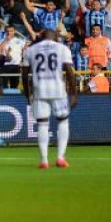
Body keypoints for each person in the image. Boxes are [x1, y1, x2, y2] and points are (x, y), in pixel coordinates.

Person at [21, 30, 78, 169]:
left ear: (41, 37)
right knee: (63, 121)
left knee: (42, 124)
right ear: (56, 37)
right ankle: (60, 157)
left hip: (39, 90)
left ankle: (44, 160)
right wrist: (74, 92)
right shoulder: (62, 48)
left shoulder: (30, 50)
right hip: (58, 90)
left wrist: (28, 94)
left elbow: (24, 74)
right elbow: (69, 71)